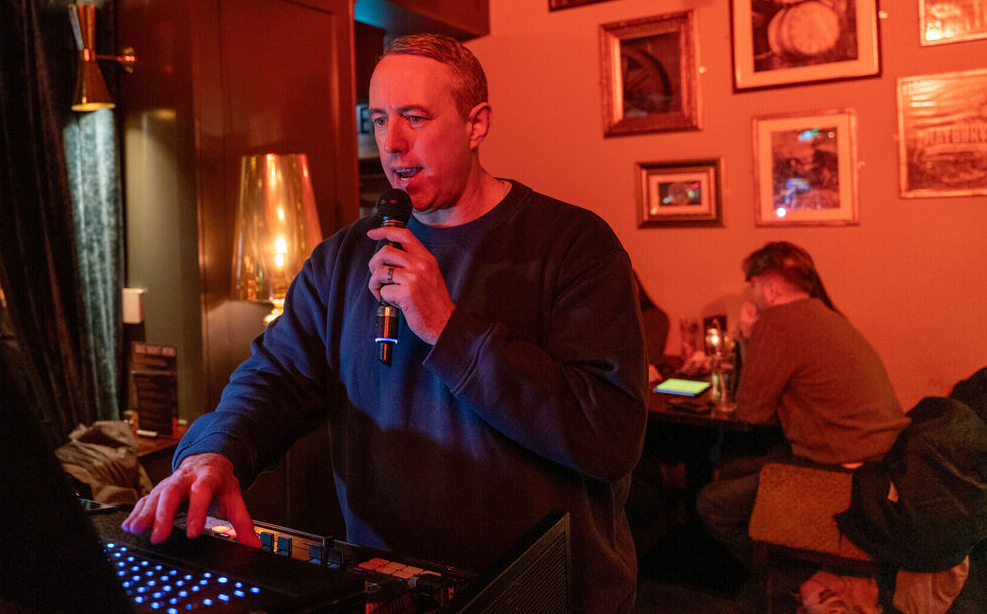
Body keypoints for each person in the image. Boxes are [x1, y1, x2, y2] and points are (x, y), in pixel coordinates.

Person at [122, 33, 649, 613]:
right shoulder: (344, 257)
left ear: (477, 124)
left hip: (542, 593)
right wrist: (213, 453)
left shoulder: (576, 245)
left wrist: (448, 329)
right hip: (392, 590)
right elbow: (274, 380)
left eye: (415, 118)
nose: (392, 144)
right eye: (378, 120)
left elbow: (610, 437)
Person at [696, 241, 909, 563]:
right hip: (882, 457)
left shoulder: (777, 321)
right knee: (734, 467)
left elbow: (751, 412)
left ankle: (788, 577)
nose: (752, 296)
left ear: (768, 288)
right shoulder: (827, 315)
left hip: (842, 466)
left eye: (752, 287)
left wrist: (750, 335)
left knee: (712, 503)